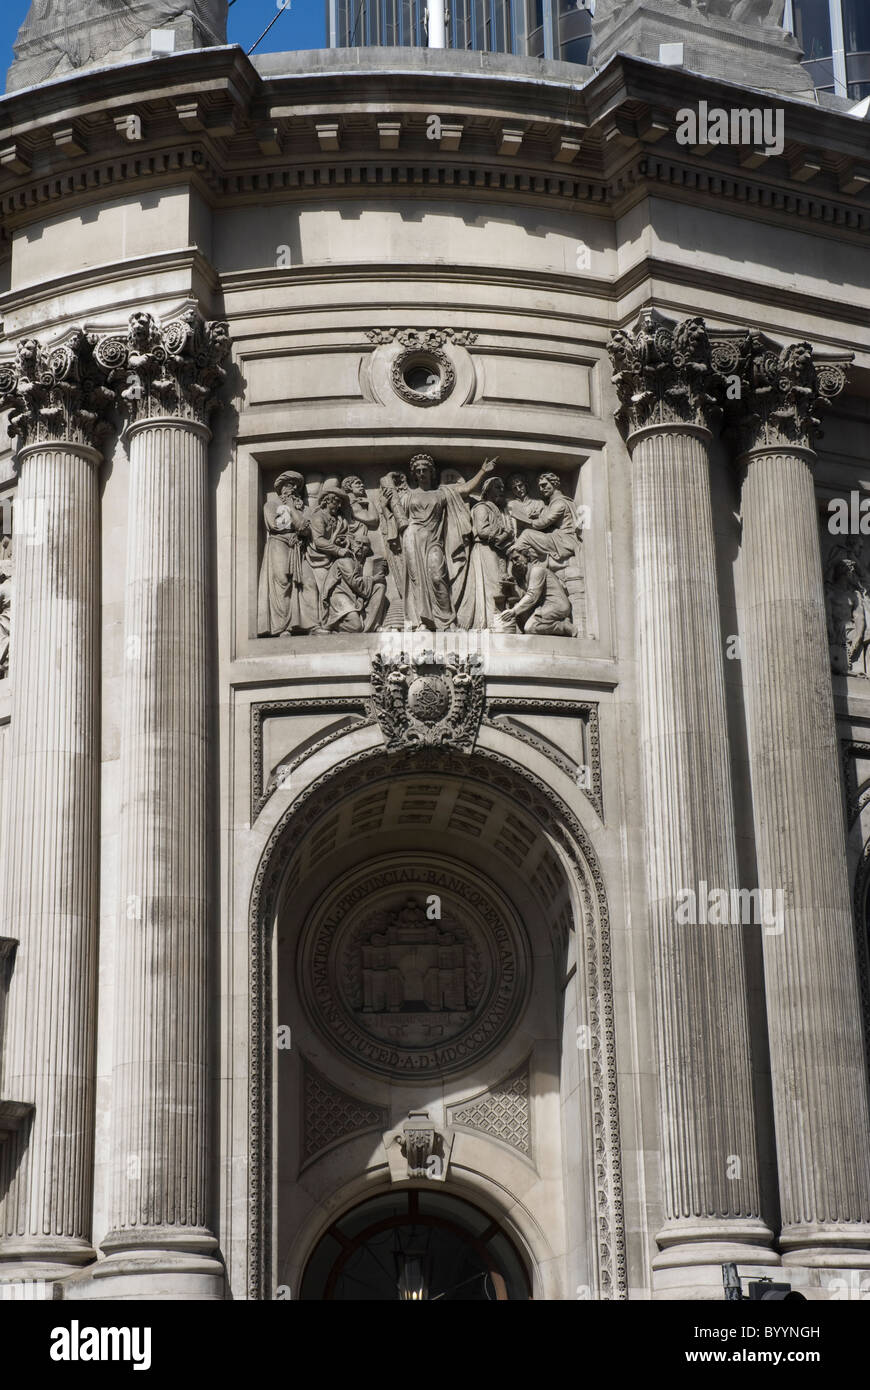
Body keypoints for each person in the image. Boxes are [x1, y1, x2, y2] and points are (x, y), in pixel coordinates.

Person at [401, 453, 497, 630]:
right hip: (412, 539)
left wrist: (483, 471)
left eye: (425, 470)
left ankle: (447, 620)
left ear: (431, 472)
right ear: (414, 474)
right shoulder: (407, 496)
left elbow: (466, 489)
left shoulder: (442, 493)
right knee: (417, 581)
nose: (421, 473)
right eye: (418, 470)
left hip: (433, 541)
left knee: (437, 577)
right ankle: (422, 622)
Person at [256, 471, 314, 635]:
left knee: (304, 583)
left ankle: (305, 623)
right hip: (279, 544)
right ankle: (282, 627)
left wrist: (293, 511)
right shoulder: (271, 505)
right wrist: (294, 517)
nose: (294, 488)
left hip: (298, 547)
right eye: (289, 485)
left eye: (296, 486)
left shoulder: (303, 508)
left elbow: (305, 528)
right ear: (281, 488)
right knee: (282, 581)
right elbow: (276, 525)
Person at [458, 475, 513, 630]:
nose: (501, 491)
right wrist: (503, 533)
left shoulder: (497, 510)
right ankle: (489, 622)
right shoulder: (481, 507)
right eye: (497, 487)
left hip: (496, 550)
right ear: (487, 490)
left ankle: (496, 621)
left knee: (499, 586)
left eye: (502, 488)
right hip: (484, 549)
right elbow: (482, 530)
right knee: (491, 586)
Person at [509, 472, 581, 568]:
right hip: (559, 539)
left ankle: (510, 562)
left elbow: (543, 523)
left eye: (544, 485)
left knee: (526, 534)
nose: (541, 489)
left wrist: (525, 520)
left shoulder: (559, 503)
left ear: (554, 484)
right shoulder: (555, 502)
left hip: (564, 542)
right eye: (540, 486)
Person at [320, 535, 388, 633]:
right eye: (358, 543)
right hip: (341, 596)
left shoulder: (362, 563)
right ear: (352, 545)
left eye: (365, 545)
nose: (360, 546)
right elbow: (355, 582)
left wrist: (380, 569)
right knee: (356, 627)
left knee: (379, 587)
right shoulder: (345, 561)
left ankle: (372, 626)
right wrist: (374, 579)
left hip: (356, 596)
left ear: (368, 550)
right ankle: (332, 625)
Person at [499, 552, 575, 636]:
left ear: (527, 557)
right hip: (545, 605)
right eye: (512, 561)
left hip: (556, 605)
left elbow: (532, 595)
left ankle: (564, 627)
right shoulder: (527, 574)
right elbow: (525, 596)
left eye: (516, 558)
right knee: (521, 615)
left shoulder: (537, 570)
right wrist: (512, 586)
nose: (514, 563)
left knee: (530, 627)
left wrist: (514, 611)